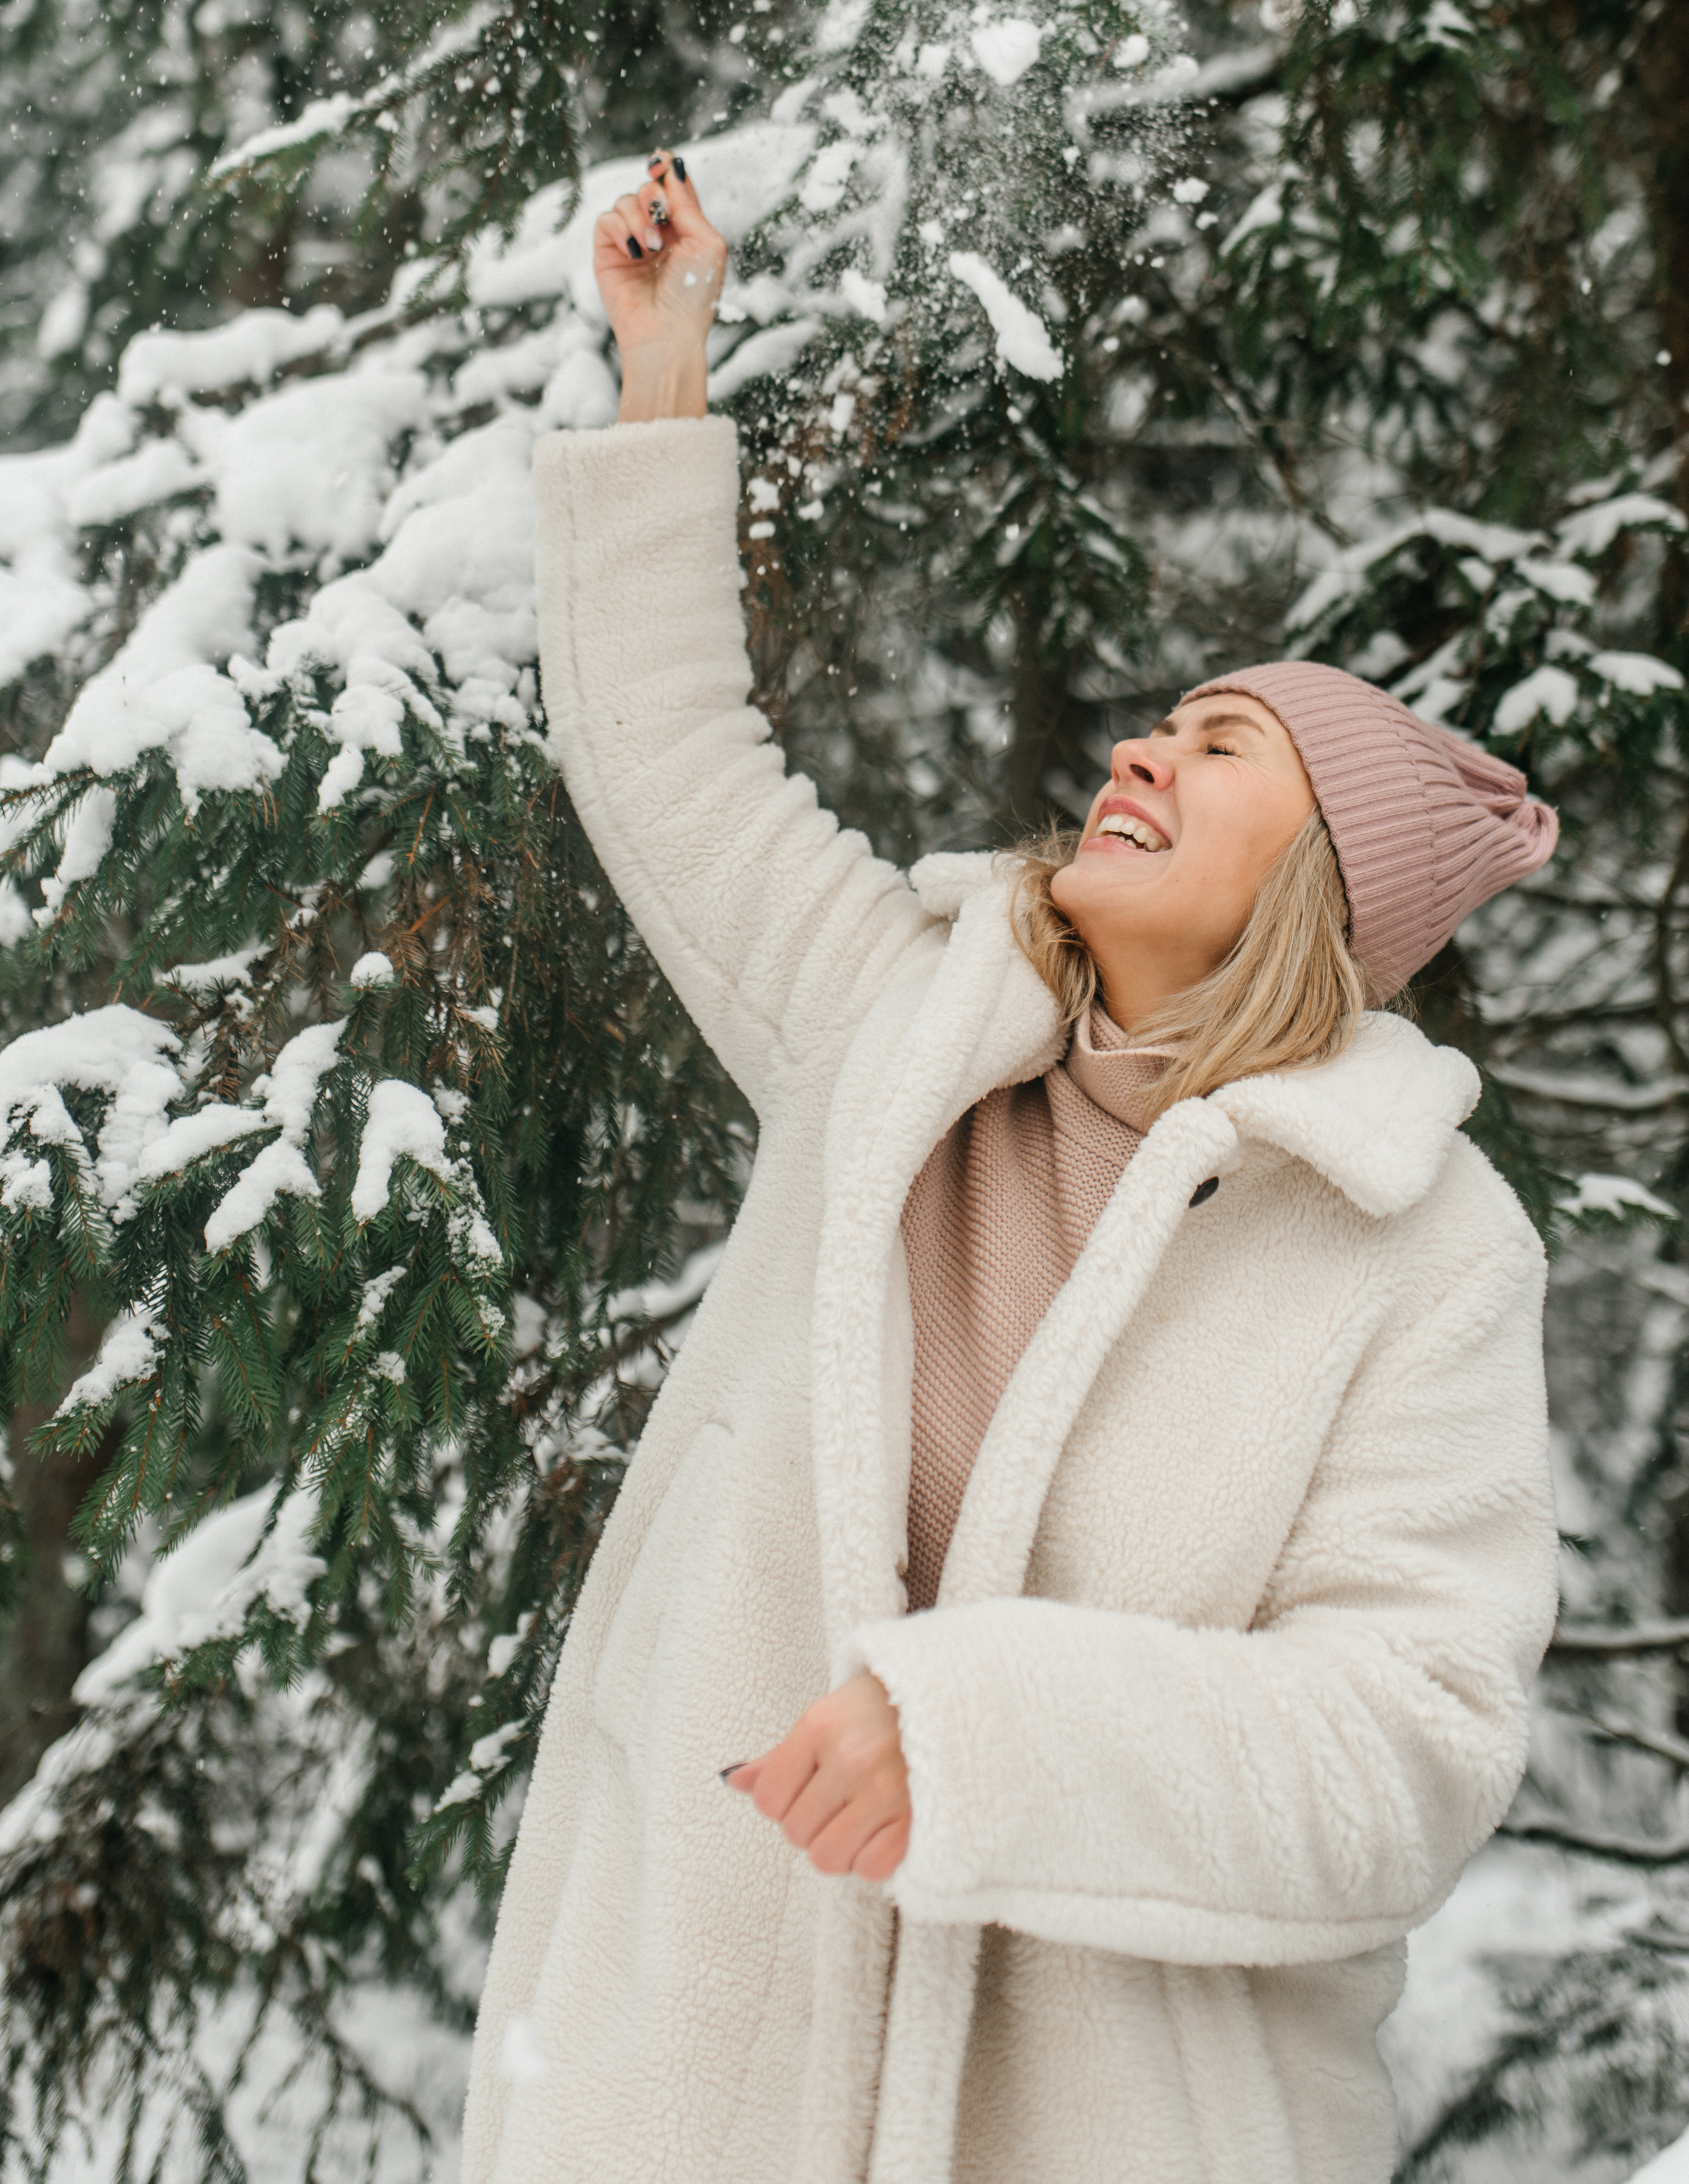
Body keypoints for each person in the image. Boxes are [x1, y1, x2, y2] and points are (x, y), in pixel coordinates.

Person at [459, 152, 1562, 2184]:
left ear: (1319, 885)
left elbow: (1407, 1744)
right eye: (1162, 725)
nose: (1142, 750)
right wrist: (667, 366)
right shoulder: (897, 1025)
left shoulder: (1417, 1244)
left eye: (1223, 749)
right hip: (705, 2095)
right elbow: (672, 754)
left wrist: (992, 1735)